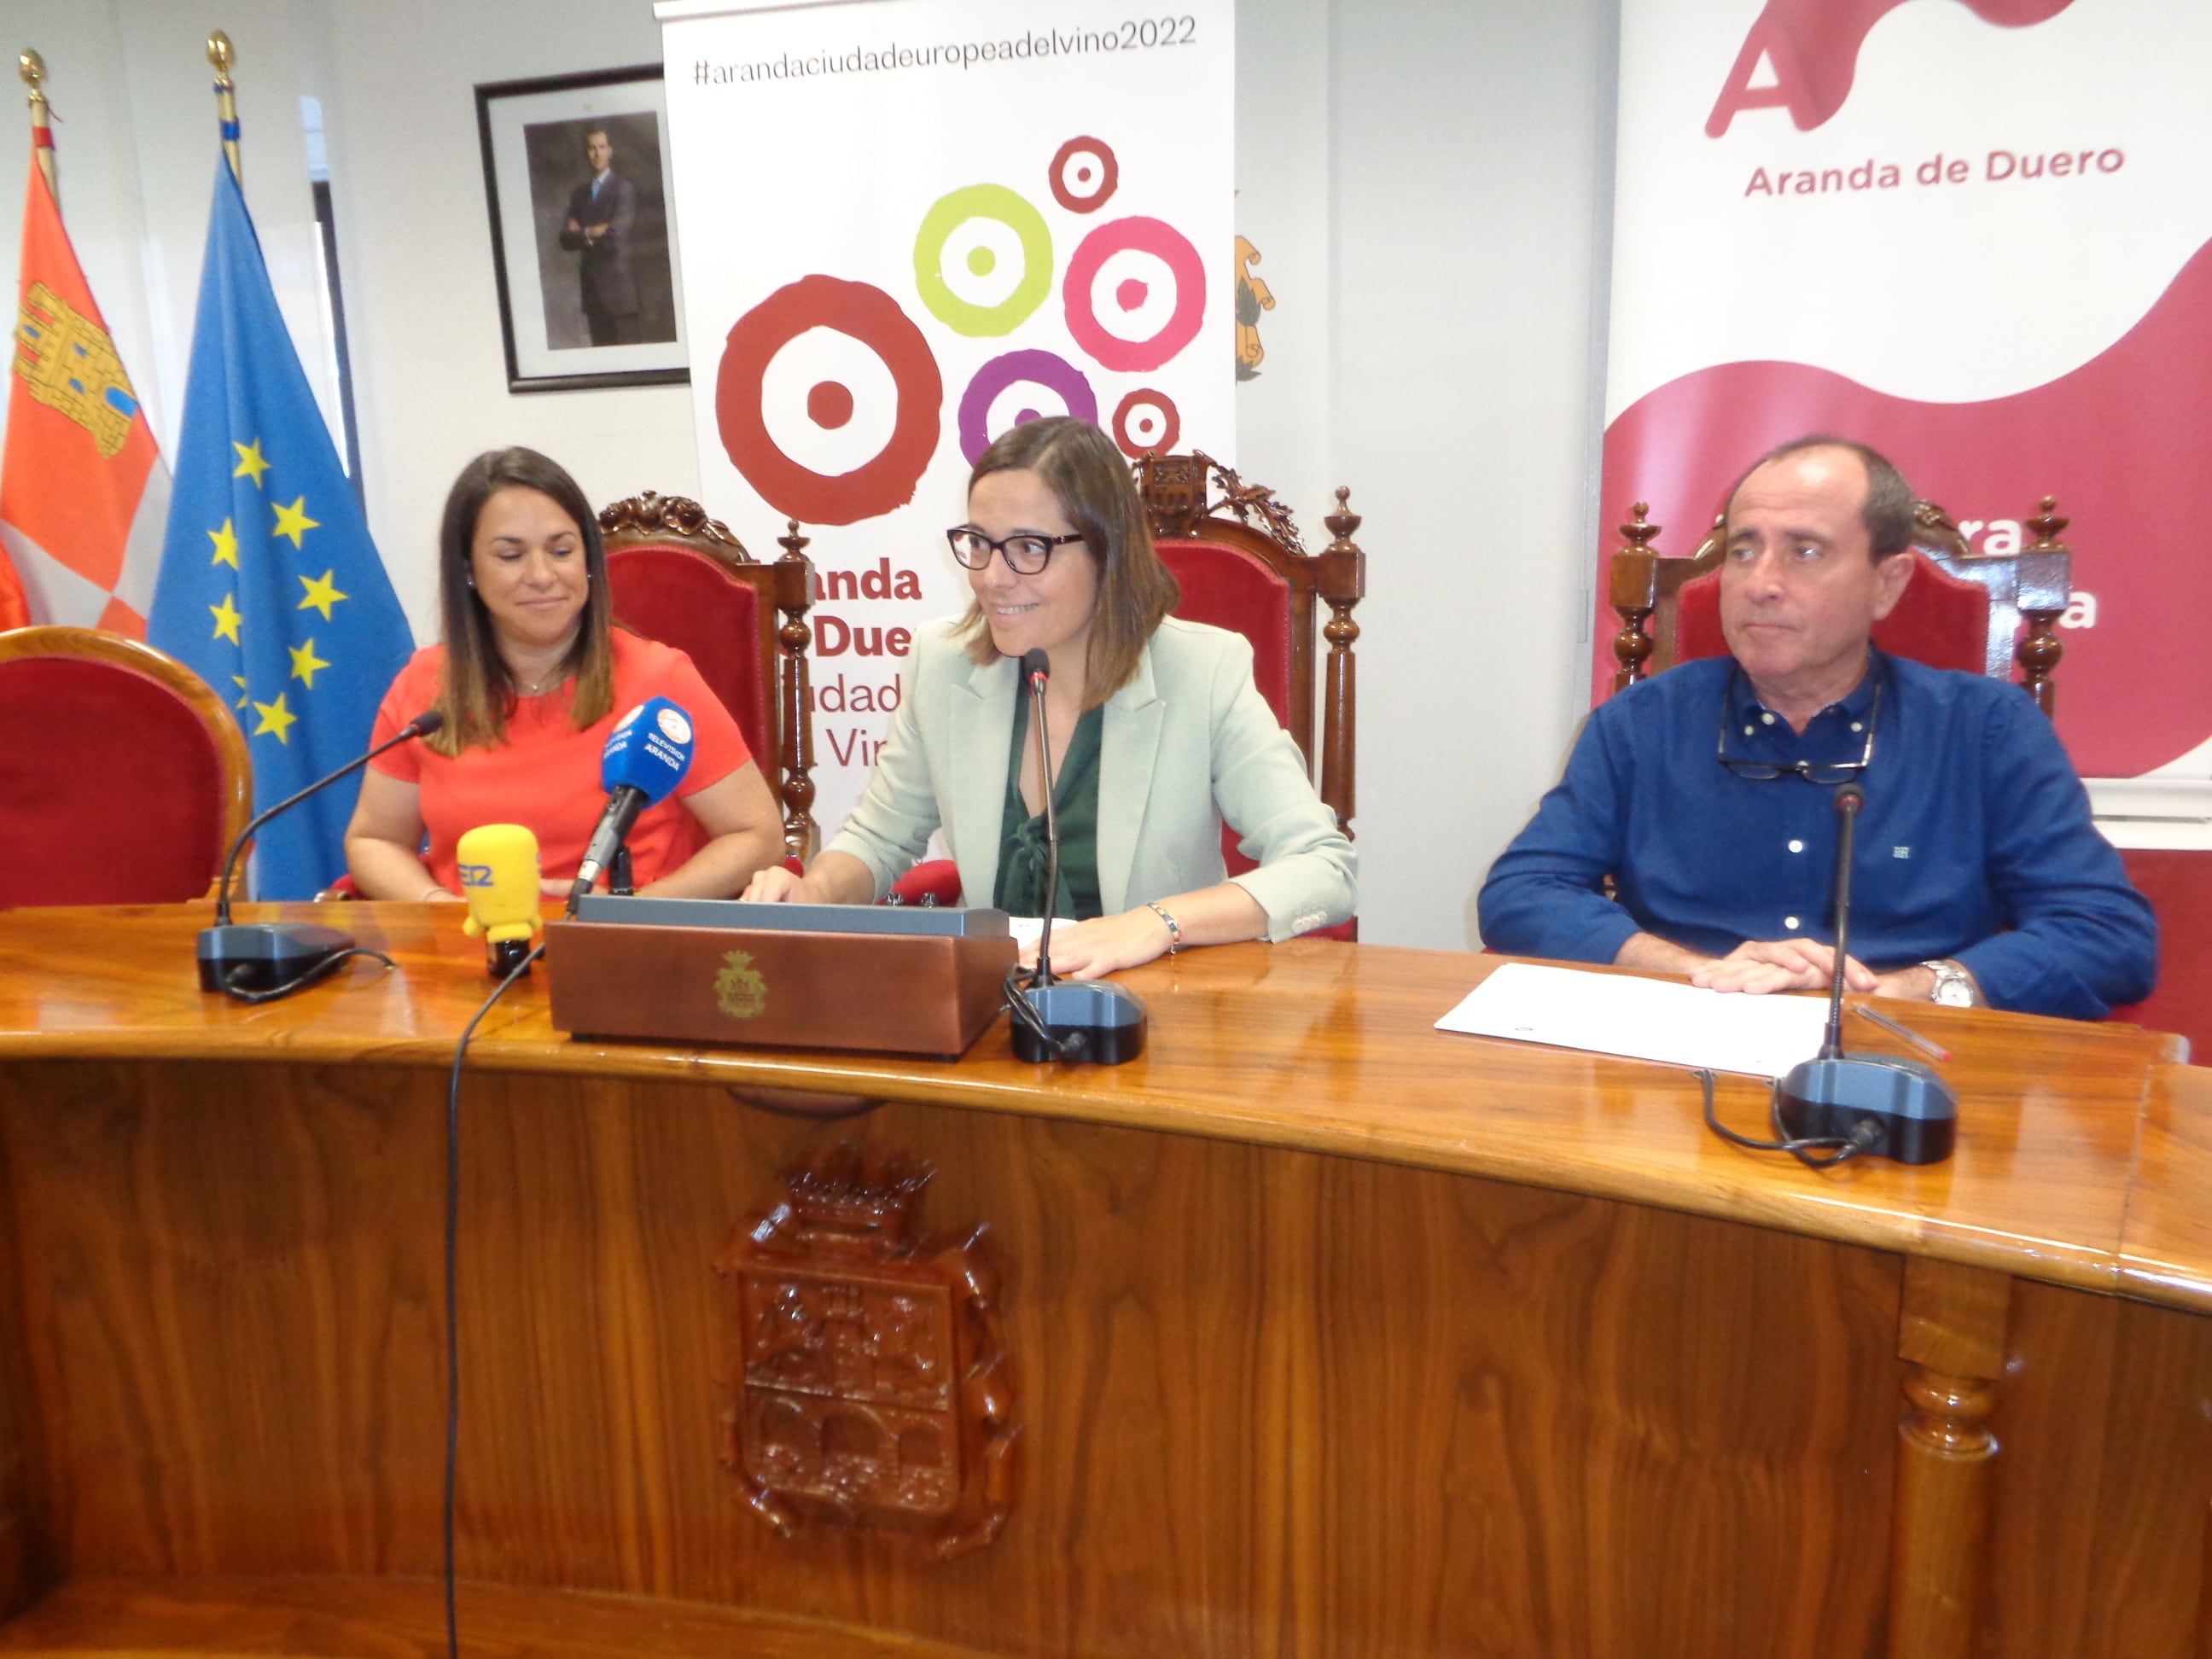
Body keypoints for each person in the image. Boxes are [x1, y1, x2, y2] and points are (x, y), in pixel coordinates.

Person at [1478, 435, 2156, 1020]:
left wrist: (1912, 992)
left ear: (1887, 584)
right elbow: (1523, 892)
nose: (1759, 583)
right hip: (1679, 1043)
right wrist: (1688, 970)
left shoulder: (1986, 729)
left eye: (1804, 552)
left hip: (1905, 1053)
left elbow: (2107, 934)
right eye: (1744, 552)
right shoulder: (1640, 722)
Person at [741, 416, 1356, 978]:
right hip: (992, 1010)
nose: (991, 577)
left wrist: (1153, 924)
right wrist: (813, 893)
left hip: (1156, 1015)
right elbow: (881, 839)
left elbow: (1322, 867)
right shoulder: (942, 663)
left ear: (1106, 550)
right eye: (979, 543)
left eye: (1028, 549)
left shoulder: (1204, 670)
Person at [345, 446, 783, 901]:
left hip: (622, 950)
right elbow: (375, 840)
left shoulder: (659, 680)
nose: (541, 575)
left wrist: (630, 913)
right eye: (511, 556)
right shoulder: (425, 687)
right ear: (468, 570)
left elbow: (756, 837)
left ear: (589, 561)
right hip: (470, 950)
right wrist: (436, 908)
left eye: (561, 551)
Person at [558, 127, 640, 346]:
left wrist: (582, 232)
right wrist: (594, 230)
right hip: (592, 294)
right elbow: (565, 239)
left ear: (610, 151)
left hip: (619, 294)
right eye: (592, 148)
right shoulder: (579, 195)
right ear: (586, 153)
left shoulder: (623, 189)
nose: (597, 153)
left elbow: (616, 232)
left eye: (602, 147)